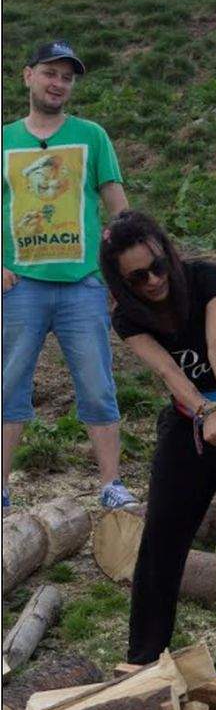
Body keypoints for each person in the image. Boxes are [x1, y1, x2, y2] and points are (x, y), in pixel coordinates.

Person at [100, 210, 216, 676]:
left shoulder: (205, 278)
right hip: (190, 416)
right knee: (162, 534)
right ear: (123, 283)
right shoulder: (128, 318)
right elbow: (168, 371)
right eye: (138, 277)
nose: (154, 280)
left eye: (158, 266)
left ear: (167, 253)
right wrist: (205, 413)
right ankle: (143, 660)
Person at [2, 40, 135, 508]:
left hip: (83, 285)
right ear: (28, 76)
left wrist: (124, 276)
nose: (58, 84)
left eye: (67, 77)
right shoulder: (5, 139)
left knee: (98, 385)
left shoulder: (92, 135)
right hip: (20, 286)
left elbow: (119, 211)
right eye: (50, 73)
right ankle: (1, 489)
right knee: (8, 384)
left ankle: (111, 485)